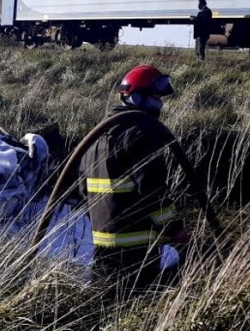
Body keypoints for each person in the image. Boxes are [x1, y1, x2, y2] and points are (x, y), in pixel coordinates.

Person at [79, 65, 187, 297]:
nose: (160, 103)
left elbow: (82, 189)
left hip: (103, 240)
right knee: (136, 304)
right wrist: (174, 228)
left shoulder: (97, 134)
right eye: (156, 97)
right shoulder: (143, 132)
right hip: (136, 245)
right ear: (137, 96)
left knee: (105, 300)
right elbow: (152, 191)